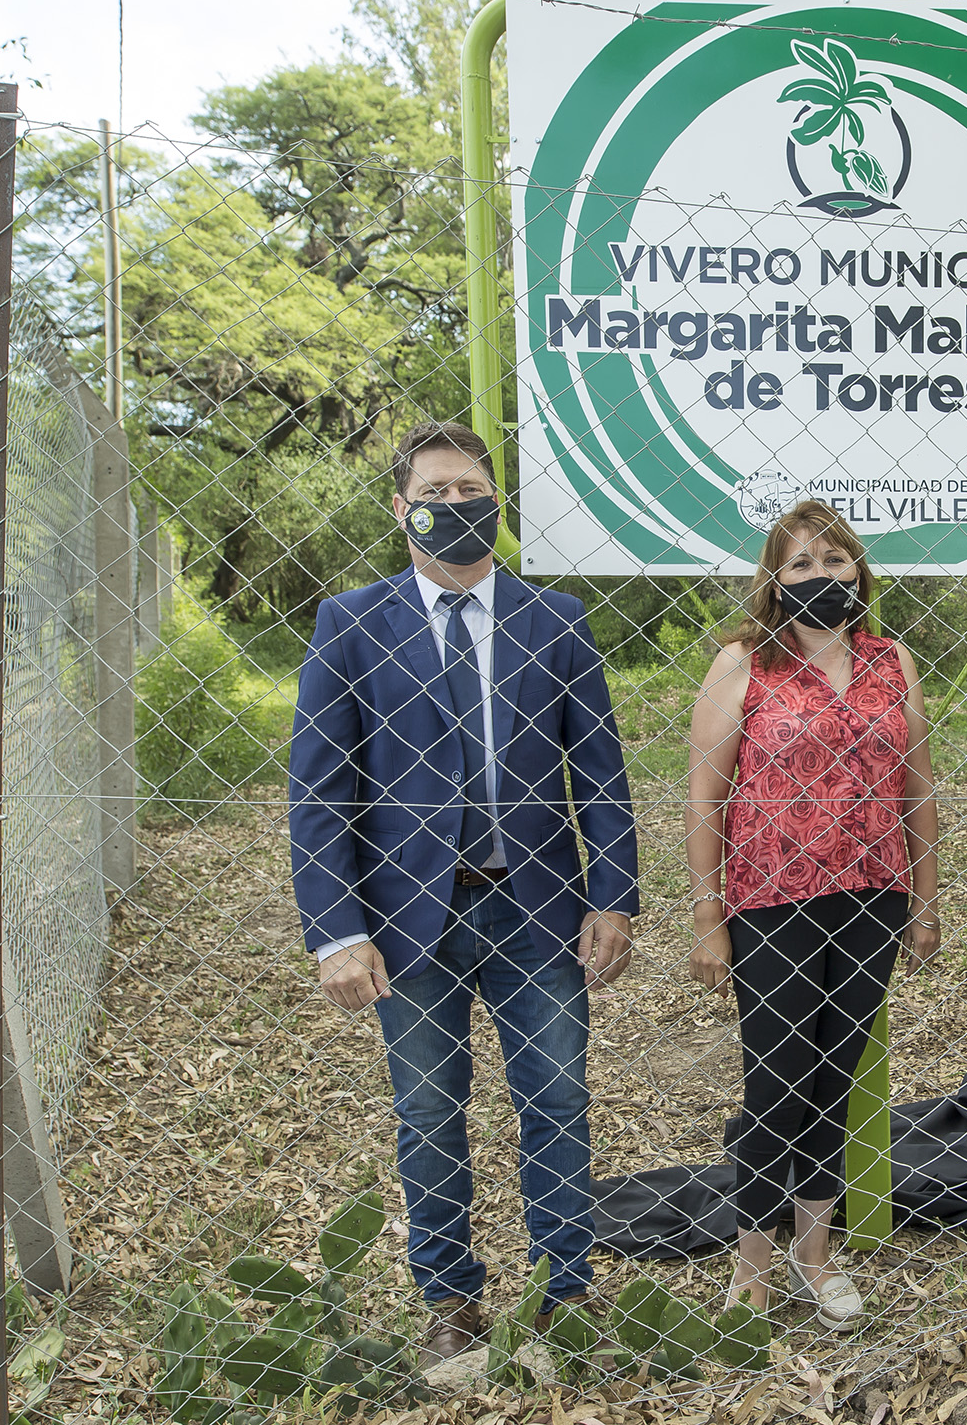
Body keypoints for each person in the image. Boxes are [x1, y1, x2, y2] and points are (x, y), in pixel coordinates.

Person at [289, 421, 638, 1365]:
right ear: (400, 509)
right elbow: (319, 792)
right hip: (408, 918)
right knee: (430, 1113)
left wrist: (613, 896)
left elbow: (599, 777)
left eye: (470, 491)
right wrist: (335, 932)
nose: (454, 506)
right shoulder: (351, 623)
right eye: (434, 493)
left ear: (496, 503)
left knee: (557, 1100)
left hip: (536, 905)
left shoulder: (555, 620)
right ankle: (449, 1298)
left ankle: (566, 1291)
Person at [686, 499, 940, 1328]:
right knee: (778, 1081)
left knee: (836, 1078)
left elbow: (917, 788)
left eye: (835, 560)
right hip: (772, 901)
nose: (820, 575)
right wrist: (708, 916)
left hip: (874, 896)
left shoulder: (890, 660)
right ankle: (751, 1267)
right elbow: (704, 796)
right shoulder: (742, 663)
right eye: (800, 563)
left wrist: (926, 901)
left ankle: (815, 1255)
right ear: (774, 579)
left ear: (858, 570)